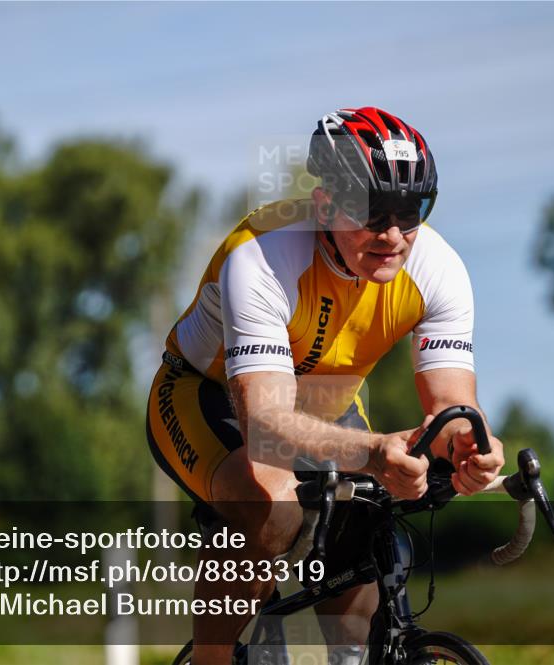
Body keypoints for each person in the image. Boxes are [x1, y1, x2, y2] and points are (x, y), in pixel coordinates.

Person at [146, 106, 505, 664]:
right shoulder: (262, 256)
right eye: (372, 212)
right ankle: (211, 657)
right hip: (208, 394)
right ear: (325, 205)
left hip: (327, 402)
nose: (393, 235)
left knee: (366, 519)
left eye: (412, 213)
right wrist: (372, 451)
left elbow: (451, 404)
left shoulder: (438, 268)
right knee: (273, 508)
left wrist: (467, 444)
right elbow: (263, 424)